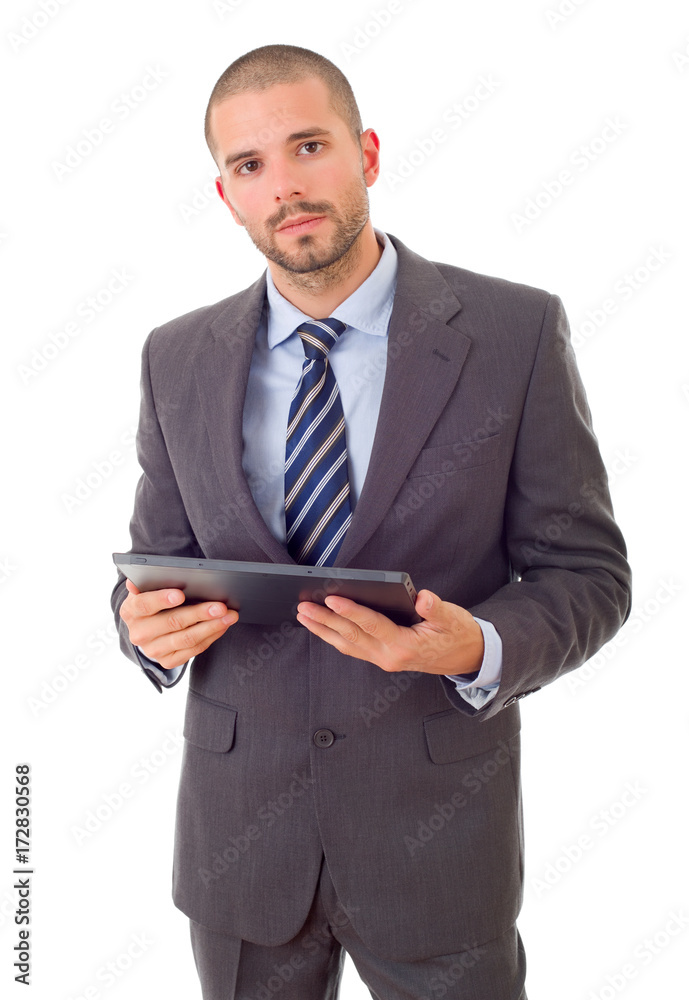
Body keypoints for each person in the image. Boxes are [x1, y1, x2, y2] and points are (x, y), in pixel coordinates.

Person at [111, 43, 631, 1000]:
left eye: (308, 146)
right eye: (249, 164)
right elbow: (156, 564)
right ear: (225, 195)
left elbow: (588, 574)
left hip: (438, 850)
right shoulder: (174, 356)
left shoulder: (512, 334)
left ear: (368, 154)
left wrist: (477, 645)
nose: (284, 186)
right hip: (240, 850)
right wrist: (139, 627)